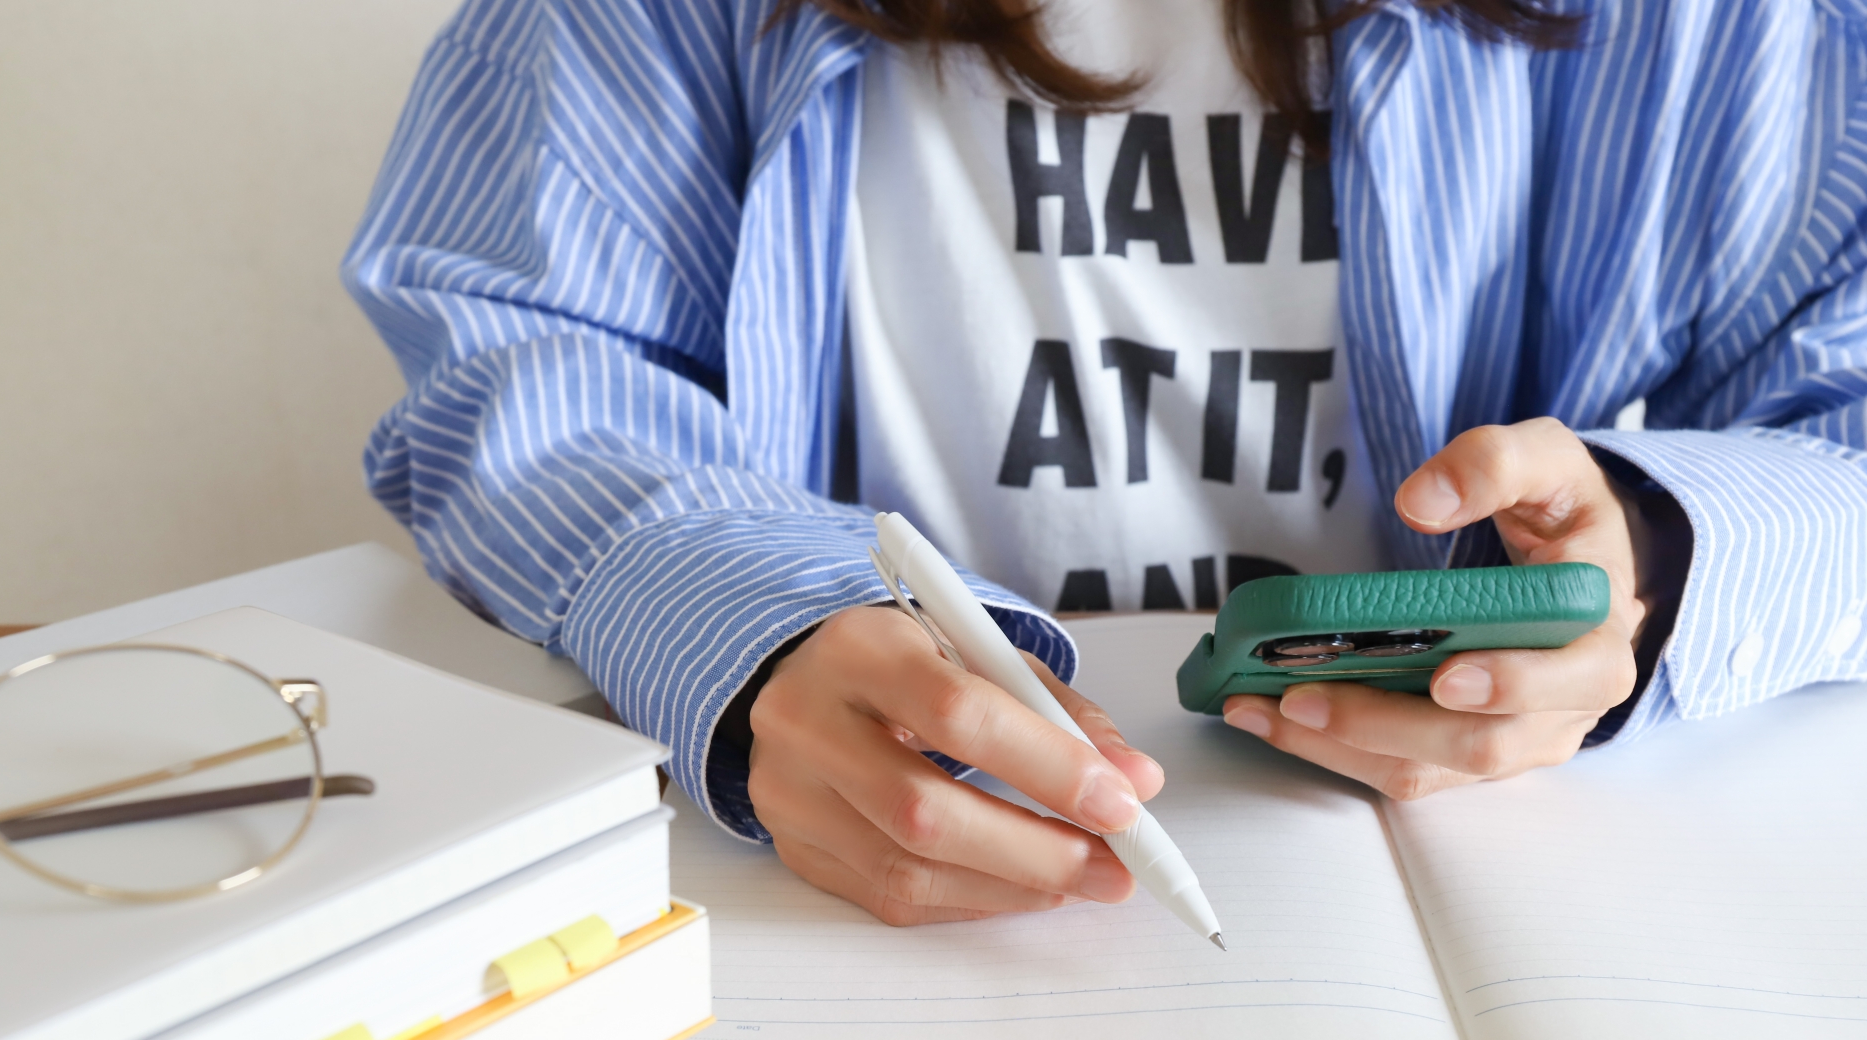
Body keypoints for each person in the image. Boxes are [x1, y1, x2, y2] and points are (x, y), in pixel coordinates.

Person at [345, 0, 1867, 927]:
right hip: (854, 917)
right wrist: (748, 623)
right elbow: (515, 342)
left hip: (1562, 897)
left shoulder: (1738, 27)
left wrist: (1655, 557)